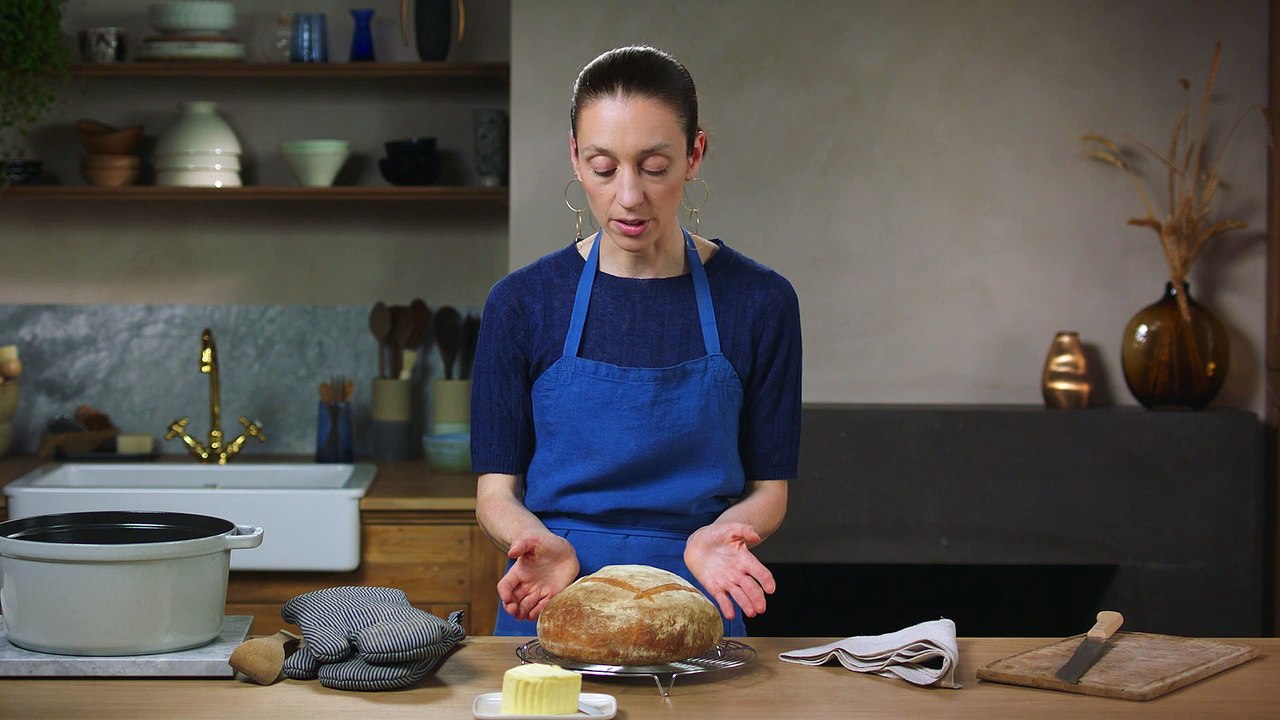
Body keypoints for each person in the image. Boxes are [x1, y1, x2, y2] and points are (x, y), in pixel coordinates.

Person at [471, 45, 802, 638]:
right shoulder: (521, 303)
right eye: (603, 168)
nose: (628, 196)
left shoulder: (761, 302)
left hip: (699, 598)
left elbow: (768, 490)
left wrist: (716, 540)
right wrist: (535, 541)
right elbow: (495, 491)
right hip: (555, 590)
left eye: (654, 167)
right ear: (575, 158)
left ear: (694, 154)